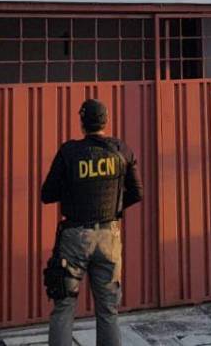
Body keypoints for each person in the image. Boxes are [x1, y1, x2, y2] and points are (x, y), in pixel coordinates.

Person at [40, 99, 142, 346]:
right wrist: (113, 211)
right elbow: (137, 193)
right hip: (109, 237)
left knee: (64, 306)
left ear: (82, 123)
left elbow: (47, 194)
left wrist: (72, 191)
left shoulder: (69, 152)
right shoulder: (121, 150)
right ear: (105, 121)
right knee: (108, 310)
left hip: (75, 237)